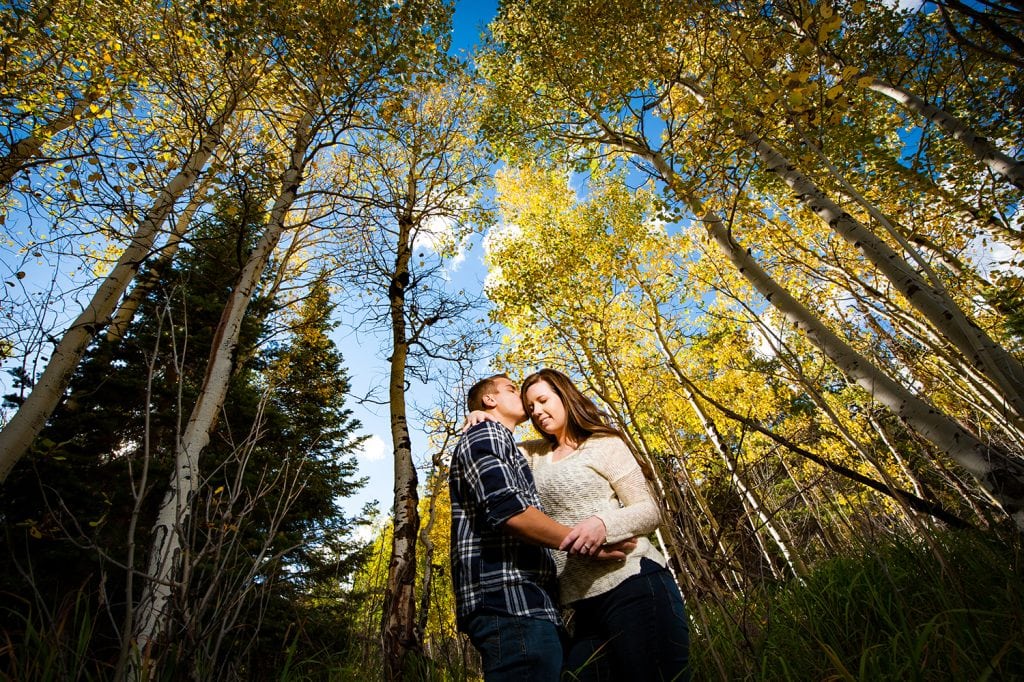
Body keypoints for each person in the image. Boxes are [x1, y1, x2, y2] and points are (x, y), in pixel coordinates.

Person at [466, 368, 690, 681]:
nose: (537, 411)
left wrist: (603, 524)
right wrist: (480, 414)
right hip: (581, 605)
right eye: (531, 407)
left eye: (543, 400)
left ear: (564, 396)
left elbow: (649, 510)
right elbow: (494, 452)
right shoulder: (533, 454)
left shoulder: (604, 443)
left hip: (634, 583)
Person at [449, 373, 635, 682]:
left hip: (528, 602)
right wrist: (583, 543)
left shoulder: (507, 443)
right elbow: (508, 511)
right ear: (490, 400)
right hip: (508, 598)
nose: (522, 397)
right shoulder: (486, 434)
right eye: (511, 389)